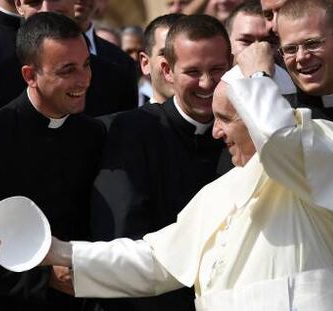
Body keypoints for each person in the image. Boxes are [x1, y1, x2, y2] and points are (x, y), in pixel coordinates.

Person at [42, 33, 333, 309]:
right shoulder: (219, 191)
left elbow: (278, 139)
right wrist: (60, 251)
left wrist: (258, 77)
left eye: (224, 118)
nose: (216, 131)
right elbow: (158, 261)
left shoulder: (320, 149)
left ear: (255, 112)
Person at [0, 12, 105, 311]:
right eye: (67, 70)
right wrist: (43, 281)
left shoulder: (93, 135)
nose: (83, 79)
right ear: (30, 75)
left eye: (86, 65)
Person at [90, 14, 231, 311]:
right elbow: (123, 238)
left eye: (217, 69)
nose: (207, 83)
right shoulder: (132, 132)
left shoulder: (245, 131)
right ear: (167, 70)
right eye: (193, 71)